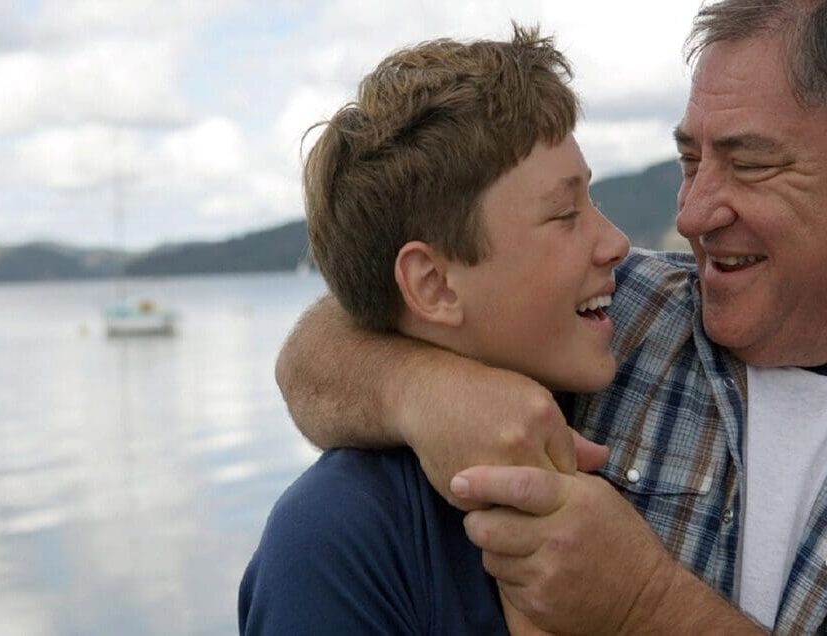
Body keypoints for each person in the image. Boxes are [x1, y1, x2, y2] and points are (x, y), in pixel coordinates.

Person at [275, 0, 827, 633]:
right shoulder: (628, 310)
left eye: (752, 165)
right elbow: (352, 324)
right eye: (689, 161)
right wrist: (426, 391)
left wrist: (646, 606)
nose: (690, 215)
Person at [239, 25, 635, 634]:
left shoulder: (626, 356)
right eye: (565, 214)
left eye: (594, 202)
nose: (617, 244)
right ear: (433, 285)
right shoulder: (334, 539)